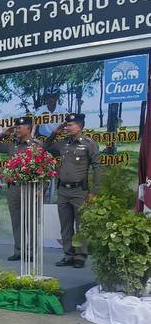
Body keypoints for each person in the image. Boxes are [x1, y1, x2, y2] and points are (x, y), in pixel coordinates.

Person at [45, 113, 101, 268]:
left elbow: (97, 167)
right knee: (65, 224)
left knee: (80, 225)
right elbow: (45, 147)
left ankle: (80, 255)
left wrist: (95, 191)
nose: (67, 128)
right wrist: (55, 132)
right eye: (66, 125)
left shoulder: (89, 144)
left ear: (79, 126)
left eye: (70, 125)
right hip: (63, 190)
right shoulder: (63, 143)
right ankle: (68, 254)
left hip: (79, 191)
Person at [0, 116, 42, 261]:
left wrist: (41, 189)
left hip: (29, 187)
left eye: (19, 127)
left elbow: (45, 168)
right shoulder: (11, 145)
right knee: (16, 220)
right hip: (13, 188)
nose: (17, 130)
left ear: (29, 128)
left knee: (30, 221)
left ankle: (31, 252)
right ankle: (18, 251)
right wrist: (4, 133)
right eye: (16, 127)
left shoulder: (36, 145)